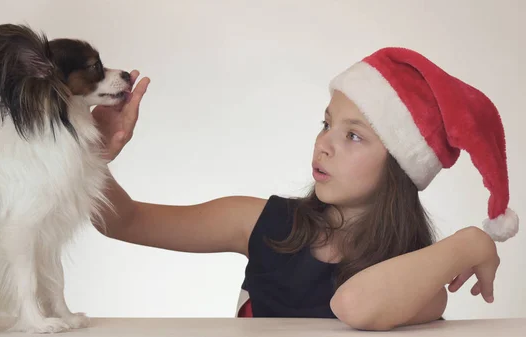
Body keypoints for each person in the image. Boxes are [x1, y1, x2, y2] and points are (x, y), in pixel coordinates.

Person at [90, 47, 519, 331]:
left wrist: (470, 243)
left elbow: (354, 306)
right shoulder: (259, 221)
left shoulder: (415, 278)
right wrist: (90, 154)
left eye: (354, 136)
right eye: (327, 123)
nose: (324, 144)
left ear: (400, 166)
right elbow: (122, 221)